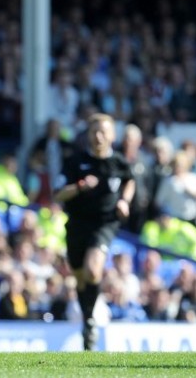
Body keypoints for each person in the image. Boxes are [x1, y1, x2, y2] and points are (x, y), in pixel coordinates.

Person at [54, 113, 135, 351]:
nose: (98, 136)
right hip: (77, 223)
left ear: (112, 135)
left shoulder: (119, 163)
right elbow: (58, 194)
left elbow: (130, 180)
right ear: (88, 135)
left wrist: (125, 201)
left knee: (92, 269)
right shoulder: (75, 161)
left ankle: (90, 319)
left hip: (104, 224)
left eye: (103, 132)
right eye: (94, 132)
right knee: (79, 278)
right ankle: (88, 321)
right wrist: (79, 187)